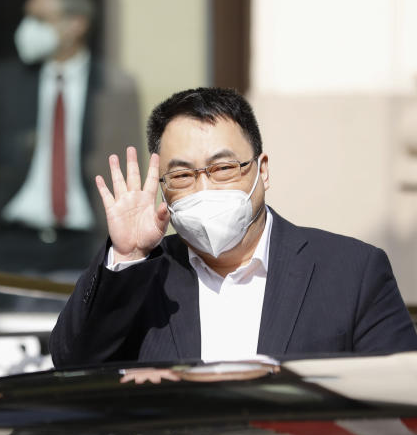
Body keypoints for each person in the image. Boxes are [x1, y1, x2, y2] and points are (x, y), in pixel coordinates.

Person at [50, 87, 417, 366]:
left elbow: (397, 396)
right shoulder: (143, 274)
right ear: (162, 186)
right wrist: (128, 256)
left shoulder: (351, 272)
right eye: (181, 175)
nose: (205, 187)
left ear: (263, 170)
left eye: (223, 168)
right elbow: (72, 363)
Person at [0, 0, 140, 275]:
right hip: (12, 244)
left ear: (77, 25)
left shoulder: (114, 88)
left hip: (83, 247)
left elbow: (129, 173)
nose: (28, 29)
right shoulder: (6, 81)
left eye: (41, 19)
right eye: (27, 17)